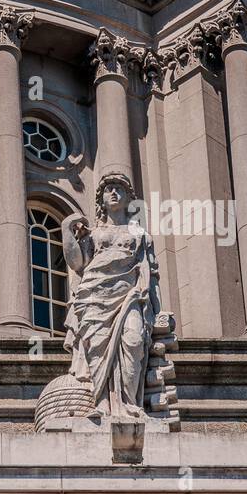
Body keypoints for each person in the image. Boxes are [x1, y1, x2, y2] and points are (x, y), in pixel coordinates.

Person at [60, 172, 160, 419]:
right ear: (101, 200)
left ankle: (129, 404)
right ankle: (102, 402)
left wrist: (156, 312)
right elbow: (77, 263)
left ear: (128, 198)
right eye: (108, 189)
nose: (113, 193)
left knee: (134, 341)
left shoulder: (140, 235)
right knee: (97, 347)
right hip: (94, 295)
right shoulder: (92, 234)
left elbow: (151, 274)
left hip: (130, 296)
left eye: (119, 189)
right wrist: (66, 230)